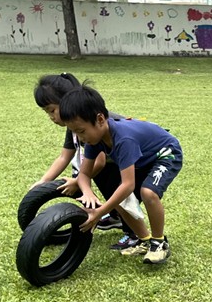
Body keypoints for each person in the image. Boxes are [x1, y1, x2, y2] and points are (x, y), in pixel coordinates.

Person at [58, 86, 182, 265]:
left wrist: (99, 212)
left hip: (165, 154)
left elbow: (128, 185)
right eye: (75, 132)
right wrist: (88, 193)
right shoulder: (94, 140)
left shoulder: (124, 139)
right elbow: (84, 174)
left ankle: (159, 242)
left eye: (81, 131)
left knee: (148, 193)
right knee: (120, 198)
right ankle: (144, 240)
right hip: (143, 158)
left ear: (100, 119)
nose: (80, 137)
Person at [30, 73, 125, 234]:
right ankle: (116, 216)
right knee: (93, 174)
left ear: (67, 102)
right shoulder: (74, 126)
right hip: (113, 161)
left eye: (52, 110)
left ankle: (133, 231)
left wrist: (77, 181)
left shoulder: (90, 123)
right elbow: (64, 157)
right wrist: (43, 181)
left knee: (117, 189)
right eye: (47, 113)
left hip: (136, 159)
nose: (51, 117)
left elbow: (100, 161)